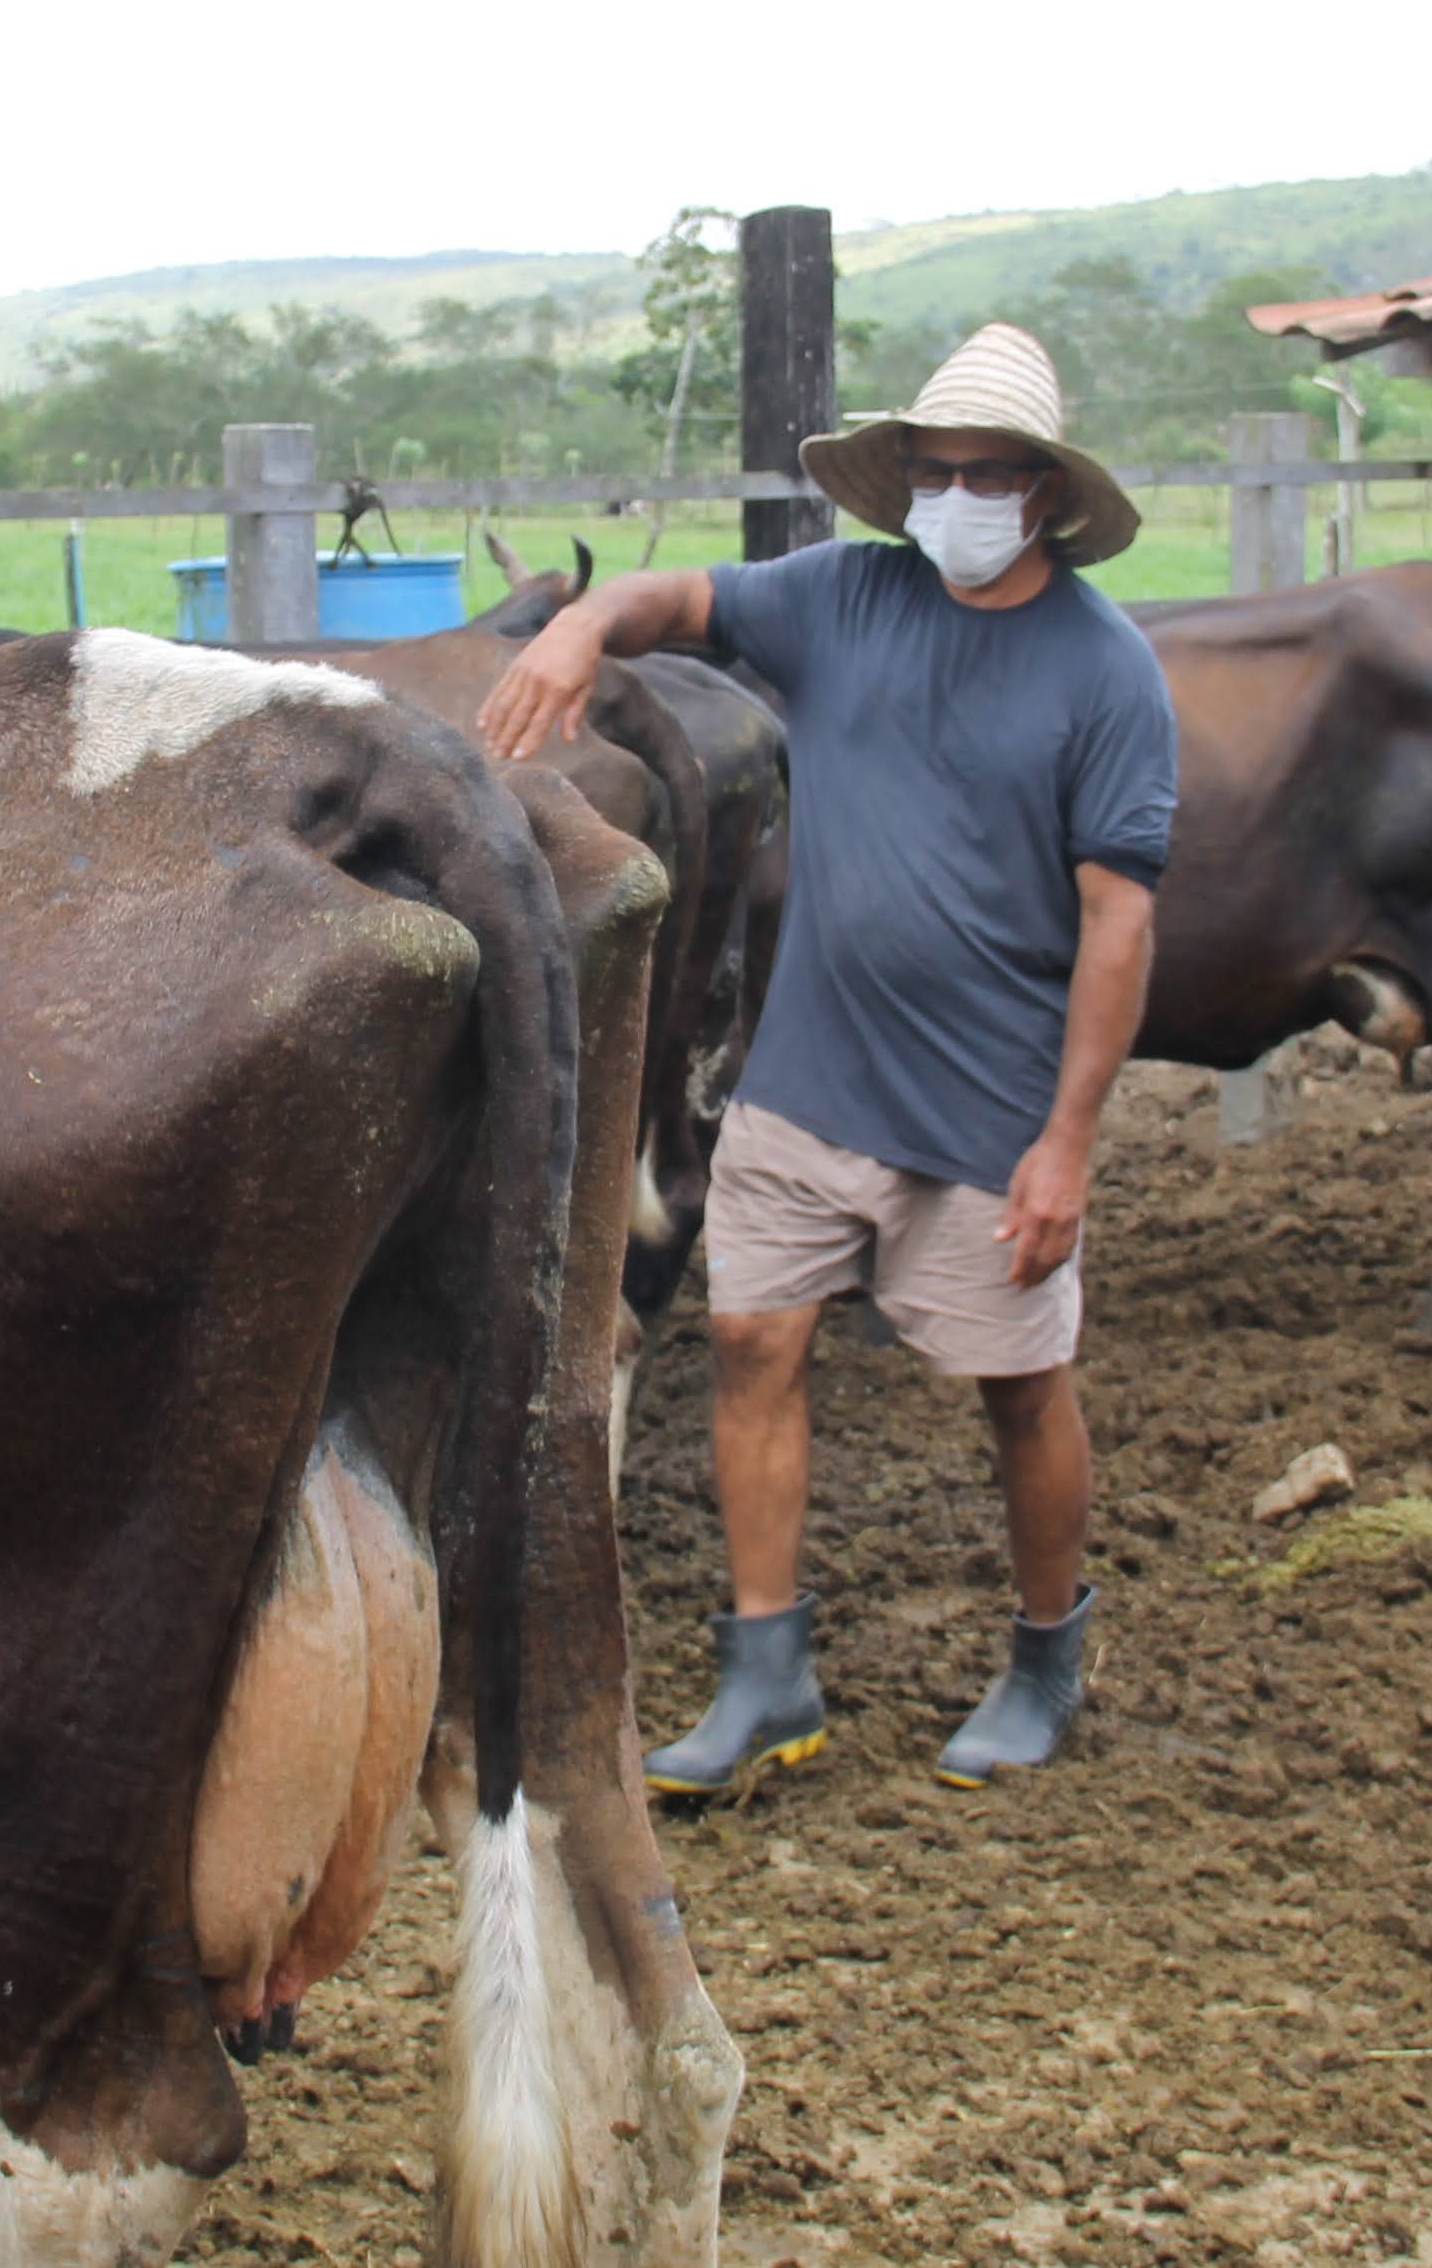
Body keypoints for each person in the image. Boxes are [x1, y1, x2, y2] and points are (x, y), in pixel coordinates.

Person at [478, 322, 1176, 1790]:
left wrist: (1068, 1144)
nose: (955, 499)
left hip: (992, 1106)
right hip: (810, 1075)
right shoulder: (848, 596)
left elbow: (1120, 926)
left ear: (1046, 497)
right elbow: (686, 597)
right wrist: (579, 627)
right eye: (934, 471)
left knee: (1019, 1387)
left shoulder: (1105, 673)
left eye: (988, 476)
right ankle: (767, 1677)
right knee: (748, 1341)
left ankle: (1050, 1650)